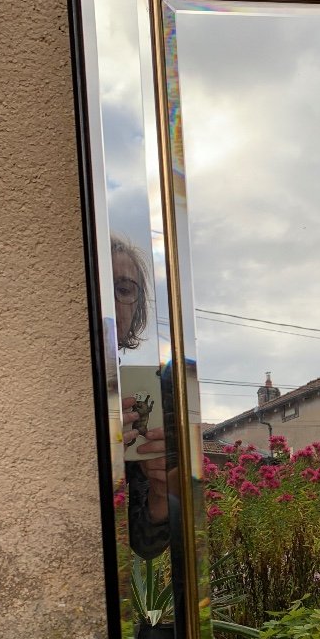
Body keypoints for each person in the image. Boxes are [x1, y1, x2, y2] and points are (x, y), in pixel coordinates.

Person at [112, 234, 174, 559]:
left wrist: (160, 493)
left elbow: (145, 545)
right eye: (99, 283)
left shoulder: (138, 395)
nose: (109, 300)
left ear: (136, 310)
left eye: (123, 290)